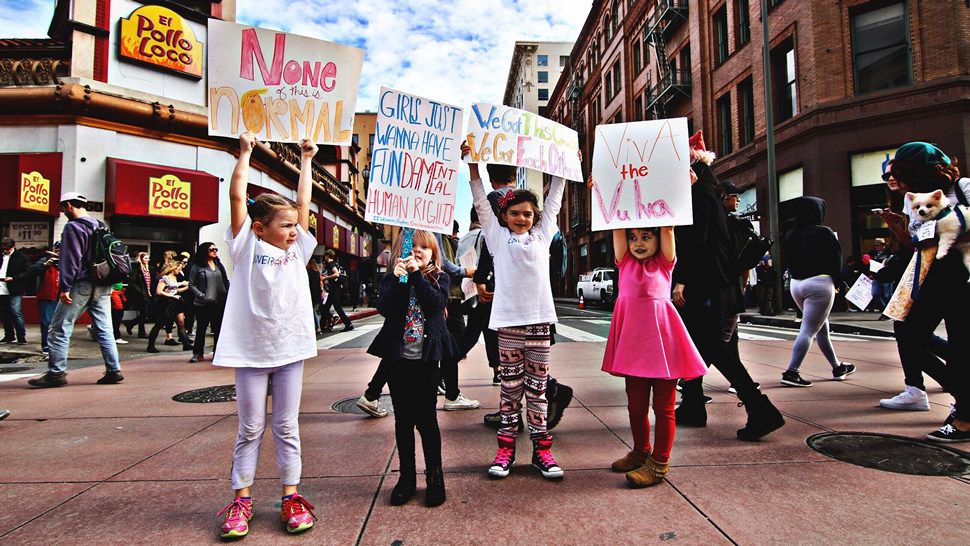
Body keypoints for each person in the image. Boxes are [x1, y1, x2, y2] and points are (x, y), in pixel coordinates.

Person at [214, 133, 319, 538]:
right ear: (260, 228)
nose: (294, 230)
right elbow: (237, 198)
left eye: (296, 225)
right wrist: (244, 153)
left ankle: (291, 497)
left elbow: (304, 203)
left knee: (287, 426)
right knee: (250, 428)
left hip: (289, 349)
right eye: (286, 225)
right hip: (251, 352)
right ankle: (241, 501)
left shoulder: (299, 249)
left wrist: (307, 160)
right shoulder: (244, 246)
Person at [464, 142, 569, 480]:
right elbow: (481, 200)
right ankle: (506, 449)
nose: (522, 218)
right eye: (515, 214)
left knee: (537, 391)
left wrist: (563, 167)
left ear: (535, 217)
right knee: (509, 390)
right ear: (504, 217)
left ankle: (542, 451)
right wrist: (473, 165)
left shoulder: (542, 235)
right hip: (507, 325)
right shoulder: (496, 237)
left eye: (527, 214)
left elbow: (554, 200)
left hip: (539, 324)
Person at [672, 133, 784, 440]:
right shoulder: (708, 197)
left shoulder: (700, 199)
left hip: (708, 289)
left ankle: (760, 410)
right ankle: (693, 405)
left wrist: (681, 279)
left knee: (716, 351)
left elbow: (697, 244)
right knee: (701, 347)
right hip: (718, 288)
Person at [602, 223, 707, 488]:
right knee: (635, 406)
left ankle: (660, 462)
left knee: (664, 407)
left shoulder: (664, 264)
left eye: (646, 237)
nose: (638, 242)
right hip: (633, 347)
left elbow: (668, 228)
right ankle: (641, 451)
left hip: (663, 345)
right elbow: (616, 227)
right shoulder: (624, 262)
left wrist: (677, 189)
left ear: (658, 240)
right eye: (634, 237)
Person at [881, 142, 969, 442]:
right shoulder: (914, 200)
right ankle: (966, 402)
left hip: (962, 277)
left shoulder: (963, 188)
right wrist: (897, 228)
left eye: (903, 175)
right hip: (932, 277)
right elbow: (919, 245)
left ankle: (966, 417)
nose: (899, 182)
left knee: (961, 350)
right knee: (908, 337)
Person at [368, 230, 455, 507]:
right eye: (412, 246)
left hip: (427, 360)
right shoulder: (391, 278)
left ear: (434, 254)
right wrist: (398, 279)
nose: (417, 251)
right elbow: (385, 308)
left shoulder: (440, 277)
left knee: (427, 419)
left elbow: (436, 303)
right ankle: (407, 476)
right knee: (403, 420)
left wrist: (416, 275)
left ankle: (434, 476)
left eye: (424, 248)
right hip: (398, 359)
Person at [875, 161, 955, 412]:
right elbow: (913, 244)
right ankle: (917, 387)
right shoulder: (908, 204)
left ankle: (945, 388)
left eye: (894, 174)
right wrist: (893, 222)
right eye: (886, 175)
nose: (889, 178)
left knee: (910, 333)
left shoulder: (947, 194)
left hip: (942, 272)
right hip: (918, 270)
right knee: (906, 330)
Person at [28, 192, 123, 387]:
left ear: (69, 205)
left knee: (59, 328)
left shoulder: (73, 227)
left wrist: (65, 287)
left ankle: (56, 373)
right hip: (103, 284)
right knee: (105, 329)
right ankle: (113, 370)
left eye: (64, 208)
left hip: (81, 284)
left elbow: (71, 260)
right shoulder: (100, 225)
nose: (63, 212)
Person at [779, 197, 855, 387]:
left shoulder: (790, 234)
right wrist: (838, 283)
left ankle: (837, 367)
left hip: (797, 284)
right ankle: (791, 371)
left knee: (820, 327)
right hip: (820, 283)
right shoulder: (824, 232)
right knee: (808, 330)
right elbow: (835, 261)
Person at [438, 220, 481, 411]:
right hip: (447, 296)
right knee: (453, 346)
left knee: (450, 347)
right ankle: (449, 392)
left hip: (444, 295)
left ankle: (450, 392)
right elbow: (443, 263)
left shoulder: (414, 230)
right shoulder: (435, 231)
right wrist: (465, 271)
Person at [188, 242, 229, 362]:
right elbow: (191, 284)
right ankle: (198, 353)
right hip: (203, 303)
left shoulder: (219, 265)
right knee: (201, 329)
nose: (215, 251)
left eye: (216, 249)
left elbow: (225, 281)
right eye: (212, 249)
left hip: (219, 302)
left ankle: (217, 353)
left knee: (218, 329)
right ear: (204, 251)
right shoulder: (197, 267)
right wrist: (201, 295)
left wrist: (228, 295)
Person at [17, 242, 60, 355]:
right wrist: (46, 264)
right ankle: (46, 346)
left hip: (63, 296)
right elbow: (31, 271)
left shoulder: (70, 260)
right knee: (47, 322)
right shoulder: (45, 260)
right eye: (58, 249)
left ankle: (58, 346)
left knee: (61, 323)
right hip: (47, 295)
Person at [145, 261, 191, 353]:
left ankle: (186, 344)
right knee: (159, 324)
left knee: (181, 322)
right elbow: (159, 291)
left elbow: (175, 290)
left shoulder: (174, 277)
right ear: (174, 268)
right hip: (166, 303)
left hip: (176, 302)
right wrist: (172, 296)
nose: (180, 270)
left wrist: (188, 287)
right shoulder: (164, 278)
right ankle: (150, 346)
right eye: (179, 268)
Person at [0, 237, 30, 344]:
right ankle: (9, 335)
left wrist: (14, 278)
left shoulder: (21, 257)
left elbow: (27, 272)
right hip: (1, 288)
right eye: (3, 249)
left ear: (12, 246)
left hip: (14, 288)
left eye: (6, 249)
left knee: (16, 312)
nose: (4, 251)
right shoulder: (1, 256)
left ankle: (21, 337)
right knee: (4, 313)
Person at [320, 249, 353, 332]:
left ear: (327, 256)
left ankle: (348, 324)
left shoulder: (331, 264)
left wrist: (325, 278)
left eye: (325, 256)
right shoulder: (335, 264)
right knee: (326, 308)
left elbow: (336, 274)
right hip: (335, 289)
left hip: (334, 289)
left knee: (337, 308)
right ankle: (322, 327)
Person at [124, 252, 153, 338]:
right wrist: (140, 292)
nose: (147, 260)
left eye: (148, 258)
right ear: (140, 259)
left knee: (147, 312)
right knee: (144, 312)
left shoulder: (149, 268)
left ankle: (131, 324)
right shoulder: (136, 268)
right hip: (140, 294)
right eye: (145, 258)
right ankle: (140, 331)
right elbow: (131, 282)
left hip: (149, 293)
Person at [869, 238, 893, 313]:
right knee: (874, 294)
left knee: (887, 296)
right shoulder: (874, 253)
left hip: (886, 277)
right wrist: (871, 274)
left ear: (883, 246)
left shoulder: (889, 253)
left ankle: (888, 312)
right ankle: (884, 310)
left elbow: (892, 264)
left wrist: (887, 263)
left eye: (878, 245)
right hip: (876, 277)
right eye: (875, 246)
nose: (876, 247)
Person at [307, 260, 324, 335]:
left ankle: (317, 327)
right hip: (317, 294)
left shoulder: (309, 272)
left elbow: (310, 284)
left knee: (312, 311)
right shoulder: (317, 272)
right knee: (313, 310)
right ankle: (317, 327)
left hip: (312, 294)